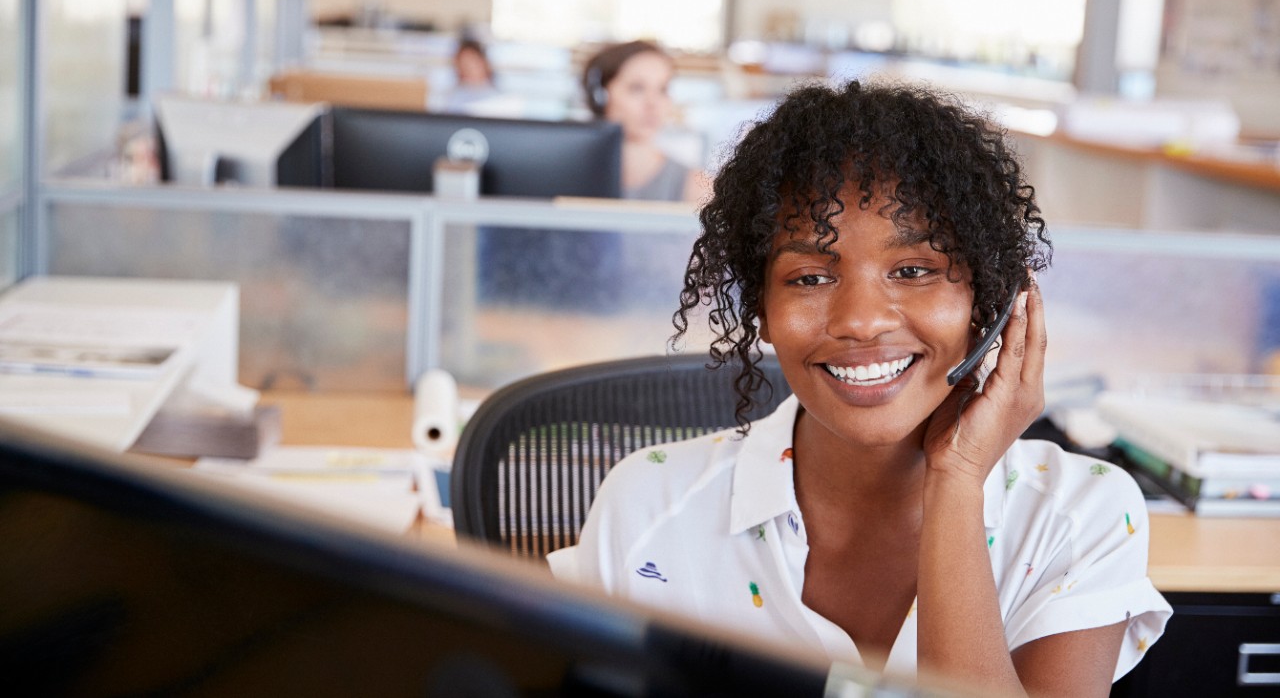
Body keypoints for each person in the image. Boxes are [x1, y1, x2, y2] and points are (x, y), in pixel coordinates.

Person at [548, 79, 1171, 694]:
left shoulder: (1078, 513)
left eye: (913, 270)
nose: (861, 320)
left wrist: (956, 481)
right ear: (760, 307)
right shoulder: (651, 505)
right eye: (810, 278)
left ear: (991, 301)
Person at [582, 40, 710, 203]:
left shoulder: (697, 187)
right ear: (600, 97)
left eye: (662, 89)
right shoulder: (565, 174)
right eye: (637, 88)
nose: (653, 103)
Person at [442, 38, 499, 113]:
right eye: (464, 65)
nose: (468, 70)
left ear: (483, 63)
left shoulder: (497, 98)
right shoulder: (454, 98)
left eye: (472, 64)